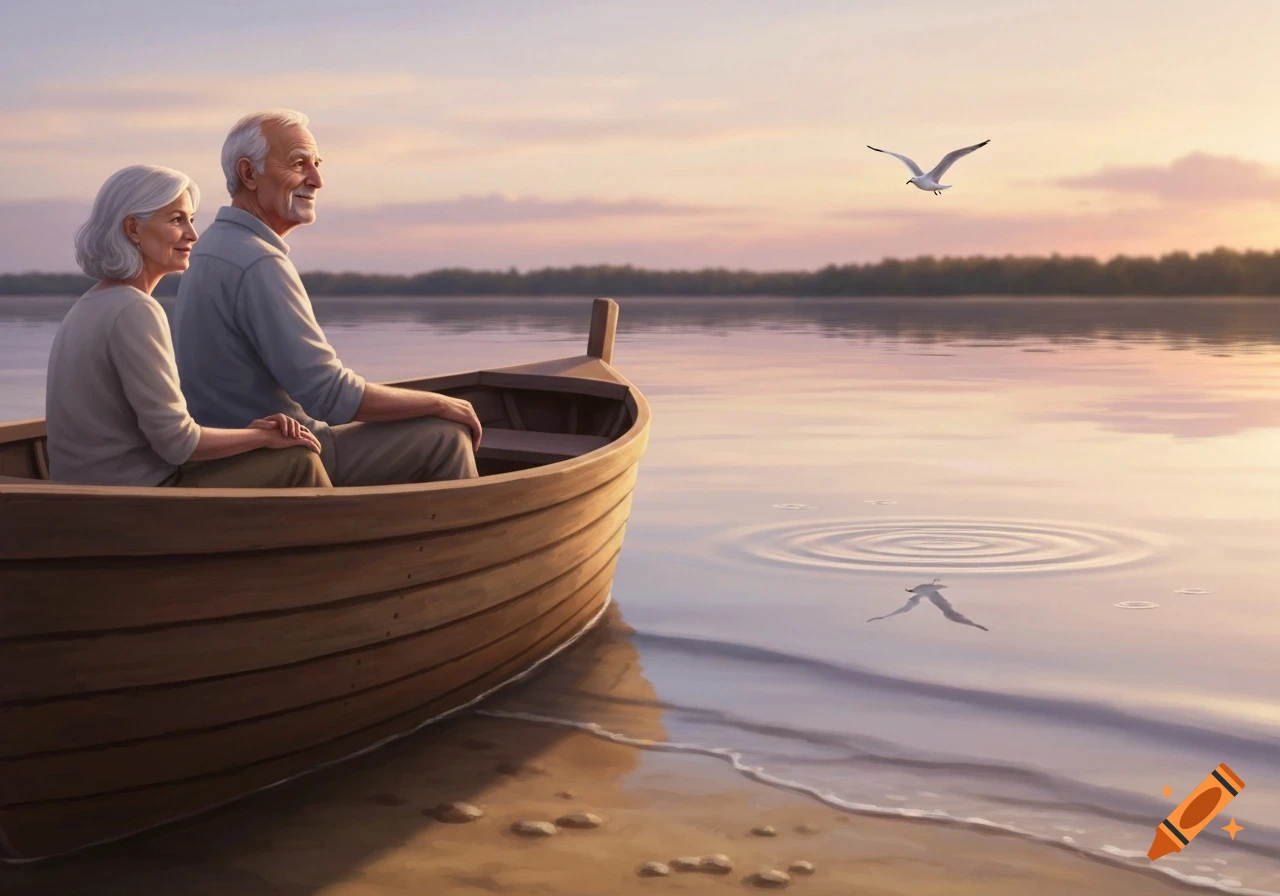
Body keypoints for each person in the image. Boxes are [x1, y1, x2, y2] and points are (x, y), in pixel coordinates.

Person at [171, 109, 481, 487]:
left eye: (316, 164)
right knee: (445, 435)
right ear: (249, 174)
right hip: (281, 453)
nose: (316, 179)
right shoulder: (258, 261)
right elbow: (328, 395)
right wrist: (440, 402)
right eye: (299, 164)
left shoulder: (210, 247)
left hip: (227, 452)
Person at [44, 164, 331, 488]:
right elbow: (178, 443)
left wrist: (254, 433)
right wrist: (260, 437)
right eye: (176, 219)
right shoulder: (136, 310)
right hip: (133, 501)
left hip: (86, 494)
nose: (193, 234)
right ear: (133, 229)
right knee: (298, 461)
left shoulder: (88, 305)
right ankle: (341, 535)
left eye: (191, 220)